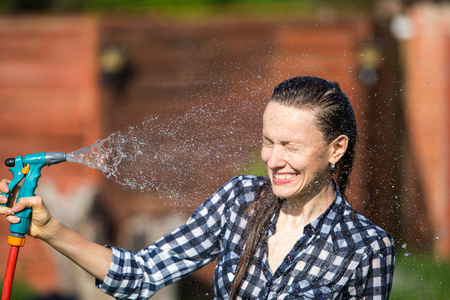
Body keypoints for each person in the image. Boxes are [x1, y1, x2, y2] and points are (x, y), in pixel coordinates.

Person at [0, 76, 395, 299]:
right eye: (268, 141)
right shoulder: (240, 200)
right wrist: (52, 231)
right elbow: (141, 274)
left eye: (290, 146)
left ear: (335, 148)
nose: (273, 160)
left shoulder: (366, 249)